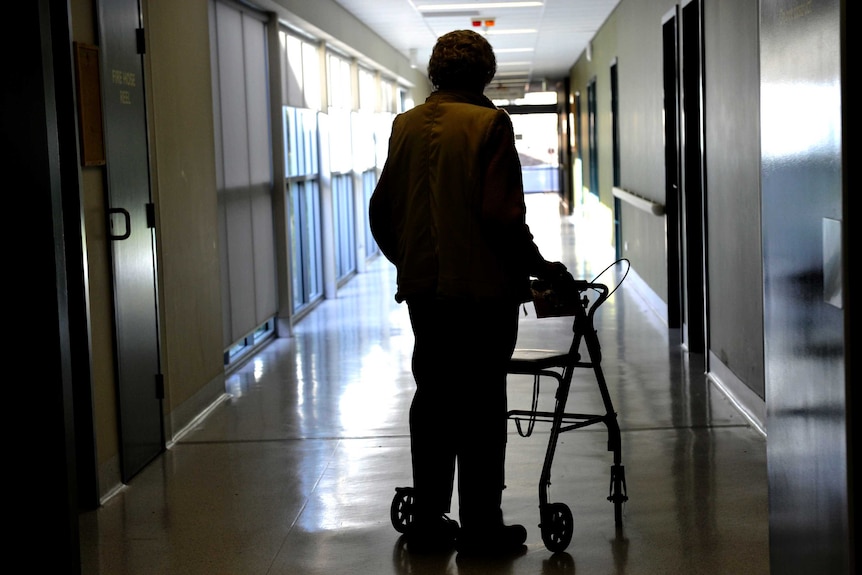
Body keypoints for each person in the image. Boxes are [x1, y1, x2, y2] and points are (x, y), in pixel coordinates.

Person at [369, 29, 569, 556]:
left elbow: (381, 213)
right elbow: (502, 217)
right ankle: (482, 528)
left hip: (425, 295)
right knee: (481, 405)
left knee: (433, 399)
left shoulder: (405, 125)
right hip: (482, 297)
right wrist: (542, 266)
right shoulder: (489, 123)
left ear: (436, 73)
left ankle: (429, 524)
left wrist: (412, 262)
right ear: (485, 74)